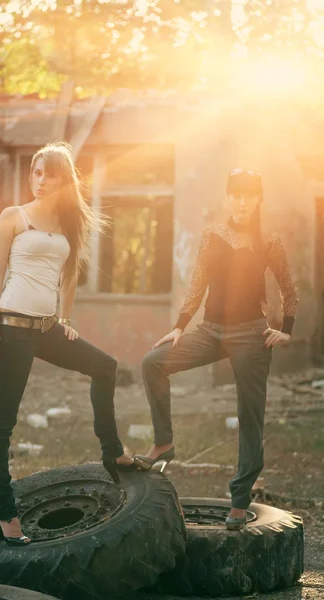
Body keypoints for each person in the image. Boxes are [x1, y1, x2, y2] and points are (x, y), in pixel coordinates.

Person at [0, 142, 134, 545]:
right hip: (12, 329)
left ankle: (112, 450)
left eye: (48, 173)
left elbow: (68, 277)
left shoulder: (69, 224)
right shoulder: (13, 218)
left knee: (105, 366)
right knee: (3, 422)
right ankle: (5, 511)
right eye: (35, 172)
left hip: (47, 329)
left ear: (63, 179)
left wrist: (66, 321)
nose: (40, 180)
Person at [134, 168, 298, 530]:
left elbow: (288, 286)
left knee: (250, 418)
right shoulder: (213, 234)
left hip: (251, 335)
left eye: (248, 195)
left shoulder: (268, 240)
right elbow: (198, 282)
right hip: (210, 331)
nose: (241, 201)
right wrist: (179, 326)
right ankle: (163, 443)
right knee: (153, 362)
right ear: (228, 197)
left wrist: (286, 330)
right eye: (235, 194)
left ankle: (240, 499)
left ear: (258, 199)